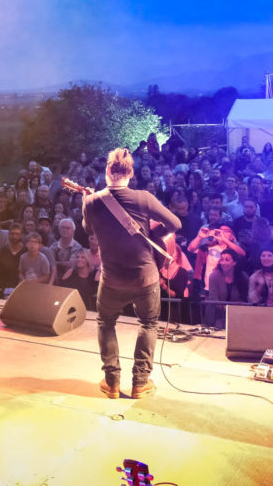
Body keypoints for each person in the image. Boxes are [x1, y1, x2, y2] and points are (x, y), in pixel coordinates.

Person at [82, 147, 181, 399]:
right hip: (144, 277)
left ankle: (112, 383)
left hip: (111, 280)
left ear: (107, 170)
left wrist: (86, 202)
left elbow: (88, 229)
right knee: (148, 324)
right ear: (131, 173)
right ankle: (140, 383)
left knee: (106, 323)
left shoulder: (92, 202)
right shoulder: (143, 198)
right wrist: (152, 234)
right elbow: (175, 224)